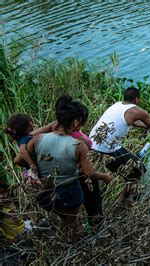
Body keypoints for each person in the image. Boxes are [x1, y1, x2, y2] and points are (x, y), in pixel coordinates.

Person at [27, 95, 112, 237]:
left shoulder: (37, 139)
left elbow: (23, 159)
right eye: (81, 123)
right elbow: (89, 173)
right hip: (69, 193)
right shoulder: (78, 145)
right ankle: (69, 247)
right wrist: (105, 177)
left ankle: (60, 243)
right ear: (76, 121)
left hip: (44, 194)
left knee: (65, 220)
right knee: (73, 225)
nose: (81, 127)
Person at [89, 86, 150, 205]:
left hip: (92, 144)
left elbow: (132, 121)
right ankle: (122, 200)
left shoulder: (117, 105)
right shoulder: (137, 111)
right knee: (138, 170)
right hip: (108, 148)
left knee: (131, 168)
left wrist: (145, 125)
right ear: (137, 99)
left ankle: (125, 192)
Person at [5, 114, 40, 184]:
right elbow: (22, 151)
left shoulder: (24, 138)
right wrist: (31, 163)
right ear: (26, 127)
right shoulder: (25, 139)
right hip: (33, 168)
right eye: (30, 122)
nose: (32, 123)